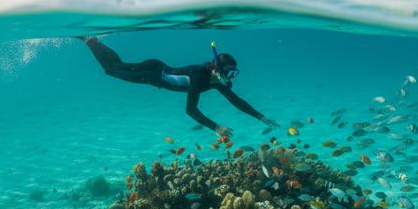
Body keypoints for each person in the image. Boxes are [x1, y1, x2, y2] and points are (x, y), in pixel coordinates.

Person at [80, 37, 276, 137]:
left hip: (156, 68)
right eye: (229, 72)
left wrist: (260, 116)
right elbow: (190, 110)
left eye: (234, 73)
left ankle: (93, 40)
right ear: (217, 69)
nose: (230, 77)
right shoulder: (200, 76)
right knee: (111, 69)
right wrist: (215, 127)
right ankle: (89, 41)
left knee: (118, 66)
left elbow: (236, 101)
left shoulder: (215, 81)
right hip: (152, 73)